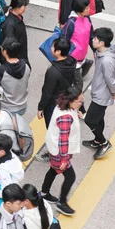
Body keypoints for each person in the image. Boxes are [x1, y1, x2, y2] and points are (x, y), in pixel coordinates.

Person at [40, 87, 83, 216]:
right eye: (79, 101)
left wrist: (77, 113)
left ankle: (44, 193)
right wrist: (64, 159)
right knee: (70, 177)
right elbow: (63, 140)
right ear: (71, 101)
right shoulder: (65, 118)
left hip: (54, 149)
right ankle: (62, 203)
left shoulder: (61, 106)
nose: (81, 103)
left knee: (53, 170)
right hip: (60, 152)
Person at [83, 27, 115, 159]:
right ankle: (97, 141)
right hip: (99, 91)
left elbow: (111, 79)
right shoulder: (101, 53)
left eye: (95, 39)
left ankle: (104, 142)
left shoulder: (106, 60)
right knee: (99, 118)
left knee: (90, 120)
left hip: (102, 95)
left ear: (102, 42)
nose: (93, 40)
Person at [0, 38, 31, 116]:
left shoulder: (0, 71)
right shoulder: (26, 66)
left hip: (6, 109)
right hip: (22, 106)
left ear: (4, 52)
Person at [61, 0, 94, 90]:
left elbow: (91, 35)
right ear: (80, 10)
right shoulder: (71, 23)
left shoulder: (87, 18)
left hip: (81, 56)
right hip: (72, 60)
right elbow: (64, 41)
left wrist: (95, 51)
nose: (89, 9)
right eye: (87, 7)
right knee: (78, 86)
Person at [0, 0, 29, 64]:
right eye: (24, 7)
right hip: (17, 57)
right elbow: (10, 46)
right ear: (17, 7)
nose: (25, 9)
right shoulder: (10, 24)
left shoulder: (17, 17)